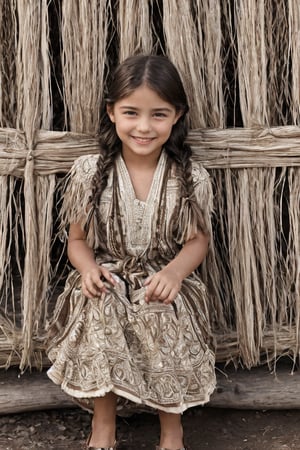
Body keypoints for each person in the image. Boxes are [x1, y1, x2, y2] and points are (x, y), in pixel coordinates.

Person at [47, 54, 216, 450]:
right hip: (108, 274)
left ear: (177, 116)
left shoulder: (189, 178)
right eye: (131, 113)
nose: (143, 126)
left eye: (158, 114)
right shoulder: (90, 173)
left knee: (161, 307)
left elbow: (197, 241)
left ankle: (172, 432)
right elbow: (77, 240)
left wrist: (174, 274)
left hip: (163, 277)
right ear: (111, 113)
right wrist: (88, 270)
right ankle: (103, 429)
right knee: (102, 303)